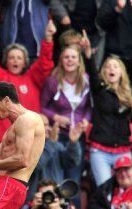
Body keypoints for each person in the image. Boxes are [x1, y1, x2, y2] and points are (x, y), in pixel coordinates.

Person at [82, 31, 132, 186]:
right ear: (104, 72)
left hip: (122, 149)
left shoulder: (127, 95)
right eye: (108, 66)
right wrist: (88, 55)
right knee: (104, 188)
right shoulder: (99, 90)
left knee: (127, 188)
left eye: (116, 66)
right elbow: (92, 73)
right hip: (101, 150)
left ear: (121, 72)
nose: (112, 69)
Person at [0, 14, 55, 150]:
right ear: (6, 61)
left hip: (28, 140)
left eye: (19, 58)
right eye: (11, 57)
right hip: (0, 140)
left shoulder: (32, 78)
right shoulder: (0, 78)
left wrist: (48, 38)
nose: (15, 60)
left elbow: (44, 64)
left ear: (25, 62)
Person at [41, 44, 91, 188]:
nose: (70, 60)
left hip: (76, 137)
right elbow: (42, 107)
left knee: (73, 180)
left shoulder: (86, 80)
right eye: (66, 57)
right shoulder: (53, 81)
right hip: (58, 136)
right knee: (56, 179)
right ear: (61, 60)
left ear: (79, 61)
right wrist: (55, 117)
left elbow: (89, 107)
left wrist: (86, 120)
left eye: (73, 57)